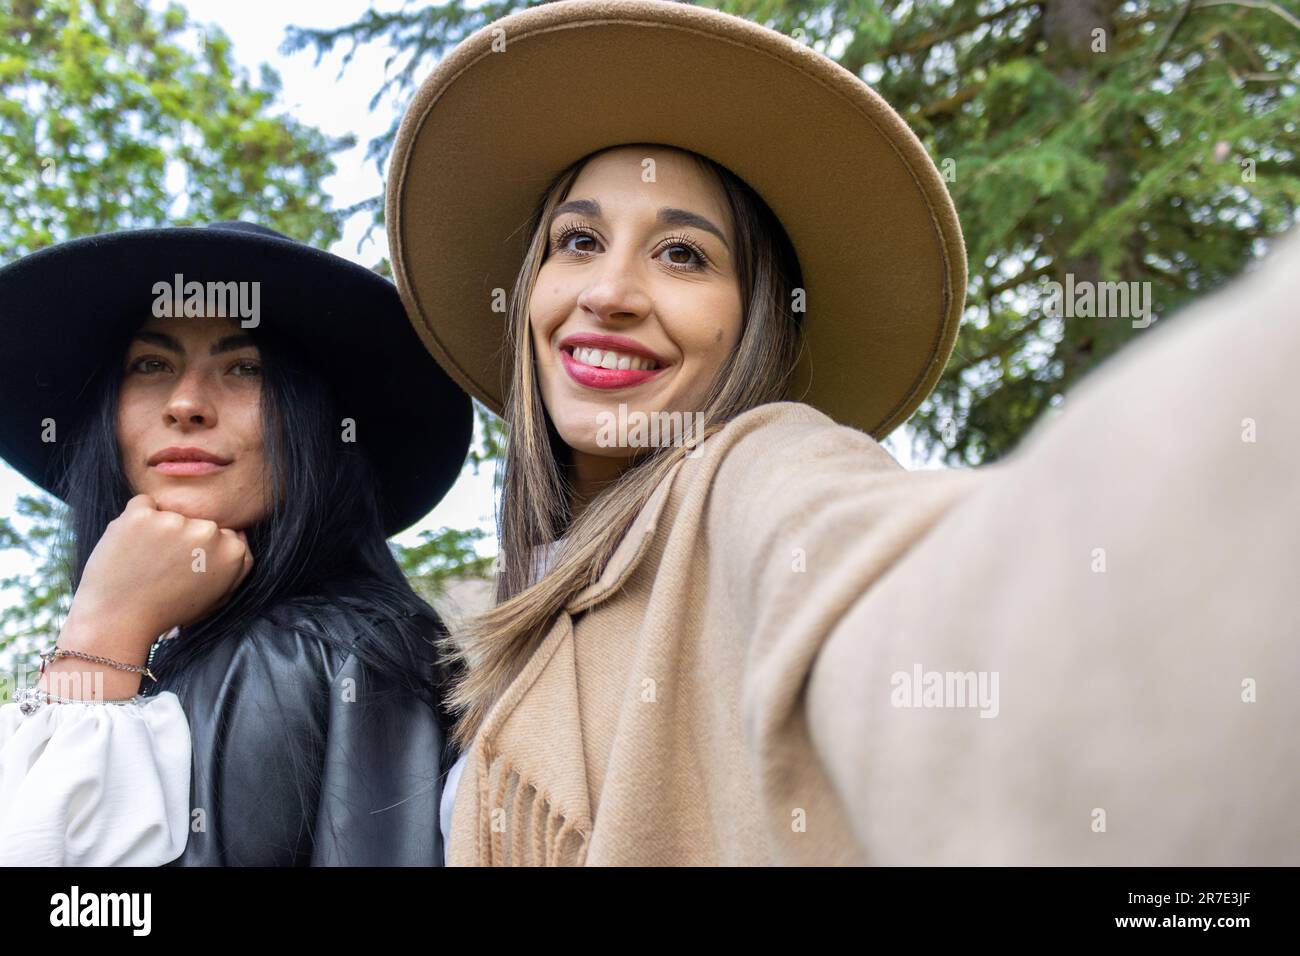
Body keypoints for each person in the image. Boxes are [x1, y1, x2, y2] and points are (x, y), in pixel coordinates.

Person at [384, 0, 1300, 864]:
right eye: (577, 241)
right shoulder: (530, 612)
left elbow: (942, 609)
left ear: (757, 323)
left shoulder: (756, 469)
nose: (610, 292)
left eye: (681, 254)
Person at [0, 220, 472, 865]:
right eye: (152, 365)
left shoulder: (321, 651)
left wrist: (101, 634)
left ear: (316, 424)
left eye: (245, 367)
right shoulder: (180, 652)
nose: (187, 402)